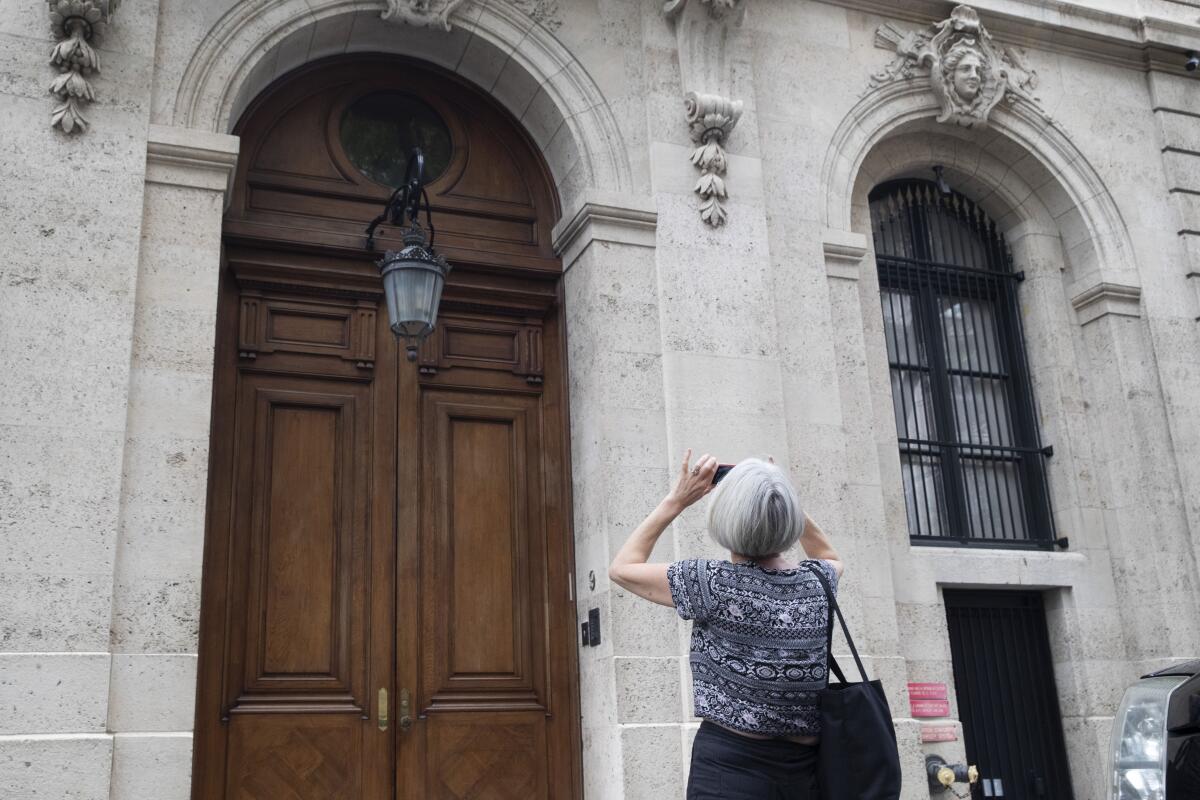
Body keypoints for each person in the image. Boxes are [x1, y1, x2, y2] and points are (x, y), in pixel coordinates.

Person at [608, 450, 844, 800]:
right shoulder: (817, 581)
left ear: (725, 519)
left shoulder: (711, 583)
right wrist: (777, 495)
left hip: (728, 768)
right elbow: (829, 555)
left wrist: (677, 500)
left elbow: (622, 568)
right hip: (805, 771)